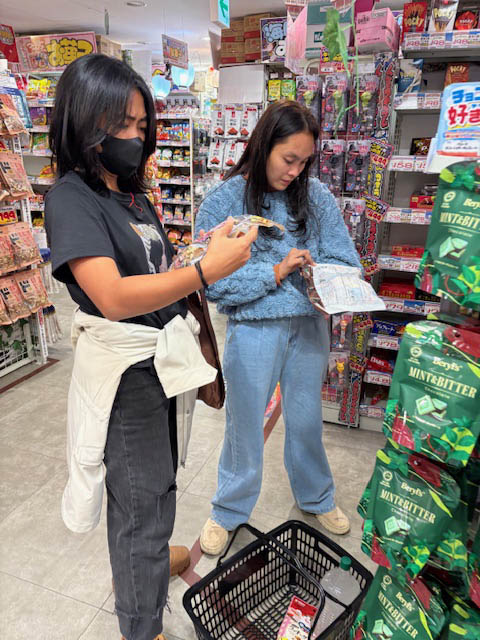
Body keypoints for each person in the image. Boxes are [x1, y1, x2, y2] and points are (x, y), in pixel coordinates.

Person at [44, 54, 256, 640]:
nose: (136, 138)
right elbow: (112, 296)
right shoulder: (71, 199)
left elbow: (153, 269)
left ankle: (152, 563)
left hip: (160, 363)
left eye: (142, 125)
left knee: (159, 485)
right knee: (140, 504)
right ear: (85, 119)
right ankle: (142, 626)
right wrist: (206, 272)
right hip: (126, 374)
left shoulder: (131, 194)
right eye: (123, 124)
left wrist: (201, 251)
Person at [197, 100, 362, 556]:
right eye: (289, 159)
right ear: (264, 144)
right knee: (244, 424)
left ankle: (316, 496)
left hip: (308, 327)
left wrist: (315, 272)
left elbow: (346, 260)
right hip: (253, 330)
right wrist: (274, 272)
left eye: (304, 162)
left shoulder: (317, 197)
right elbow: (213, 282)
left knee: (307, 420)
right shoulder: (224, 201)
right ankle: (228, 509)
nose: (295, 171)